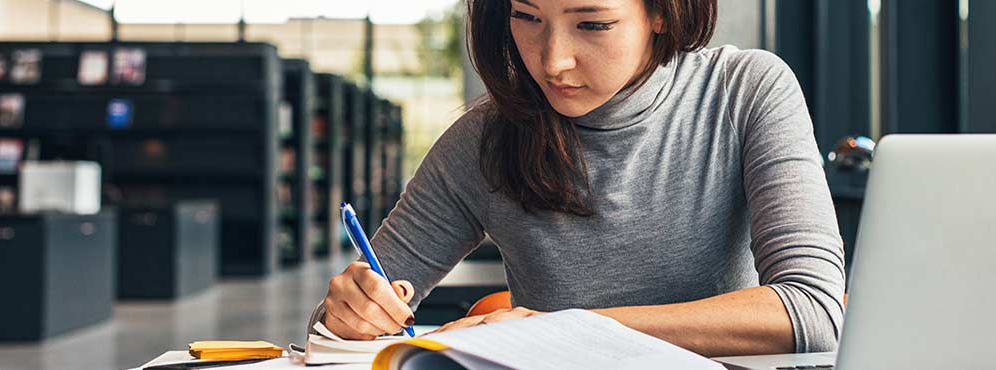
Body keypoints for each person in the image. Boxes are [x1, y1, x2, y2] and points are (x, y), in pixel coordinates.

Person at [310, 0, 845, 357]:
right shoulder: (482, 139)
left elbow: (813, 311)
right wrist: (349, 315)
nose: (552, 61)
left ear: (661, 12)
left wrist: (555, 330)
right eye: (527, 16)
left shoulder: (745, 91)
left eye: (592, 24)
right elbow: (331, 332)